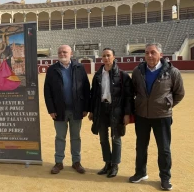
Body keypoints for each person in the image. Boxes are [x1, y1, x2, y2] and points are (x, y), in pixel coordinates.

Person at [130, 43, 185, 191]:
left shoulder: (172, 72)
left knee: (164, 149)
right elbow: (133, 91)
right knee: (141, 146)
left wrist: (166, 105)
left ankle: (165, 178)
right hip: (141, 115)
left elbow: (179, 93)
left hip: (162, 116)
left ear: (160, 55)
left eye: (153, 52)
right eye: (147, 53)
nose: (149, 55)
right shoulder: (137, 71)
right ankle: (141, 172)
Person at [44, 45, 90, 174]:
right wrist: (51, 109)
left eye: (65, 52)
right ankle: (59, 162)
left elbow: (86, 88)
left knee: (76, 137)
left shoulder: (79, 67)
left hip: (76, 109)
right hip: (59, 110)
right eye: (60, 52)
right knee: (60, 137)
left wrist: (86, 107)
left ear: (71, 53)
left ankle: (76, 162)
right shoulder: (52, 69)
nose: (62, 54)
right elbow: (47, 91)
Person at [88, 48, 134, 178]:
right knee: (103, 138)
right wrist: (92, 110)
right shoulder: (97, 75)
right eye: (104, 56)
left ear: (114, 57)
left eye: (108, 55)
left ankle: (115, 165)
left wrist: (127, 114)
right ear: (101, 59)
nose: (106, 58)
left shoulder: (123, 75)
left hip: (117, 110)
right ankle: (107, 163)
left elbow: (129, 96)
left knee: (116, 138)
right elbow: (94, 95)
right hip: (101, 108)